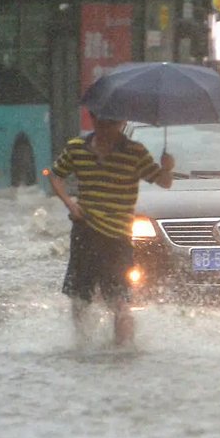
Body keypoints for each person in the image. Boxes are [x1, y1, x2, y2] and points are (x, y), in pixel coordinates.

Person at [48, 112, 175, 347]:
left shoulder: (135, 153)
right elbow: (55, 175)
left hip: (117, 238)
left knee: (119, 299)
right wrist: (69, 203)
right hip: (85, 232)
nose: (107, 129)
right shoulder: (77, 148)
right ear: (94, 121)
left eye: (113, 124)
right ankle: (82, 346)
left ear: (122, 124)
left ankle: (124, 349)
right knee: (79, 298)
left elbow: (164, 182)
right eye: (102, 123)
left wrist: (167, 168)